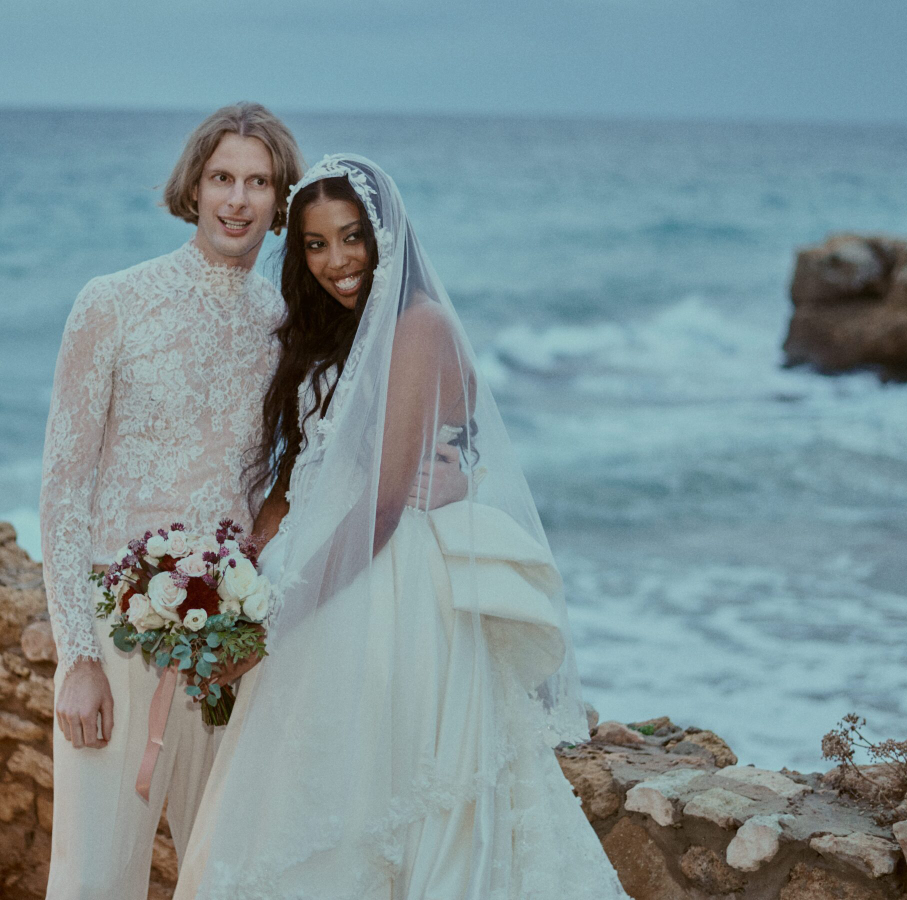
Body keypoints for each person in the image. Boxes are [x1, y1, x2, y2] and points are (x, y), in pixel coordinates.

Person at [172, 155, 631, 899]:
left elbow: (384, 503)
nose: (337, 262)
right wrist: (246, 565)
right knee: (306, 789)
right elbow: (300, 474)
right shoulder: (333, 332)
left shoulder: (421, 325)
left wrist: (278, 619)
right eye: (316, 244)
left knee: (383, 796)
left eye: (352, 238)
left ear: (388, 237)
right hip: (319, 565)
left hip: (387, 584)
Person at [37, 102, 303, 898]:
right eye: (223, 177)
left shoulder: (284, 324)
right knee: (94, 875)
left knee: (219, 875)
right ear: (194, 185)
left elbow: (281, 486)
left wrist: (254, 601)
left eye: (258, 182)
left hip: (227, 652)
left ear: (280, 200)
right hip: (116, 640)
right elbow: (62, 488)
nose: (238, 199)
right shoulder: (111, 301)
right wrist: (78, 658)